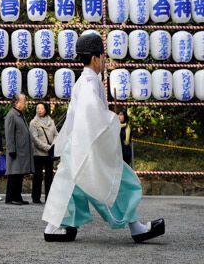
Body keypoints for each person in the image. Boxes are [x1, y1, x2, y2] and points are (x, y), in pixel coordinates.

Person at [42, 33, 164, 243]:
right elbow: (93, 113)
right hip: (88, 145)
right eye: (103, 57)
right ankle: (136, 228)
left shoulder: (83, 81)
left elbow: (76, 116)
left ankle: (54, 228)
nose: (104, 61)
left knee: (69, 188)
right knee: (120, 180)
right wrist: (112, 120)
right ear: (96, 58)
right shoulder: (89, 83)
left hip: (78, 144)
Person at [4, 93, 34, 205]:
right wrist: (11, 149)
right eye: (23, 101)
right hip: (16, 150)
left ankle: (17, 197)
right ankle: (10, 198)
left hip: (22, 150)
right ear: (17, 102)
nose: (25, 103)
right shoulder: (11, 115)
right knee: (14, 174)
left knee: (19, 174)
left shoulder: (20, 114)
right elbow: (9, 134)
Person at [30, 102, 58, 204]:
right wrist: (48, 148)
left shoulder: (51, 121)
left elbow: (56, 134)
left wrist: (53, 146)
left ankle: (49, 198)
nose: (39, 110)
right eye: (38, 108)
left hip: (49, 154)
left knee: (49, 176)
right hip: (38, 153)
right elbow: (35, 139)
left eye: (41, 108)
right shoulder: (33, 123)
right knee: (38, 176)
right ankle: (36, 197)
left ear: (45, 109)